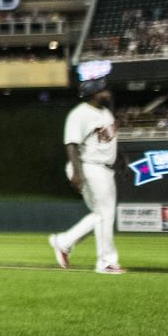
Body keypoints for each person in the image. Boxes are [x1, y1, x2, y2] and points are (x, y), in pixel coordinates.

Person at [48, 80, 123, 273]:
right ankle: (105, 262)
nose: (107, 91)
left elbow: (109, 140)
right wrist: (77, 172)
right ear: (93, 93)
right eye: (103, 89)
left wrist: (121, 158)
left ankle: (63, 242)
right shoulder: (79, 114)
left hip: (104, 168)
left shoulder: (105, 113)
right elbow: (71, 144)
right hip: (88, 166)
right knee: (104, 214)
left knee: (101, 215)